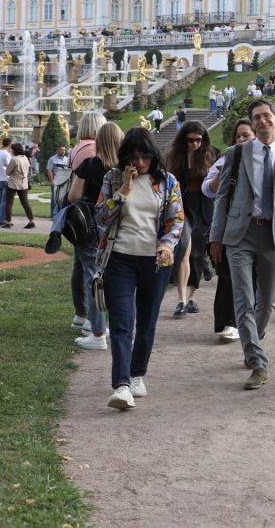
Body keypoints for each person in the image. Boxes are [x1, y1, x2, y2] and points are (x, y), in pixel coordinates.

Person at [209, 99, 275, 390]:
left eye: (266, 116)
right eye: (256, 118)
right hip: (240, 234)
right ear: (252, 123)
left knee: (268, 300)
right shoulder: (236, 154)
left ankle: (253, 338)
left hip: (273, 236)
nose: (262, 121)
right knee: (243, 298)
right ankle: (257, 361)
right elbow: (223, 197)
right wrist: (215, 236)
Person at [95, 128, 184, 410]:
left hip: (155, 261)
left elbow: (176, 220)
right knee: (122, 322)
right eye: (133, 156)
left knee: (147, 321)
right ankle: (121, 385)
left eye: (144, 155)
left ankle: (137, 374)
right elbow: (101, 217)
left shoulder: (168, 182)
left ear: (152, 154)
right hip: (119, 258)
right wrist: (123, 191)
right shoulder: (112, 178)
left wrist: (167, 245)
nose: (139, 161)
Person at [64, 122, 124, 349]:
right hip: (119, 225)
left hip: (92, 224)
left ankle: (97, 330)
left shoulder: (90, 165)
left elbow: (73, 196)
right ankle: (113, 324)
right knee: (118, 276)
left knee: (93, 276)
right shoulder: (124, 168)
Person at [202, 118, 255, 344]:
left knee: (255, 280)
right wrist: (220, 175)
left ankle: (251, 325)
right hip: (231, 228)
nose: (241, 139)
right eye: (238, 136)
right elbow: (208, 190)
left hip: (257, 227)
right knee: (228, 277)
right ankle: (228, 322)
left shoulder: (265, 160)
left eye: (246, 135)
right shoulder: (226, 159)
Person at [165, 121, 217, 318]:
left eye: (198, 140)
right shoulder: (175, 155)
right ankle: (181, 299)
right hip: (182, 206)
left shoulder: (211, 154)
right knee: (184, 249)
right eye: (190, 140)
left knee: (197, 253)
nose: (194, 144)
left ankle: (193, 295)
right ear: (183, 139)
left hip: (203, 207)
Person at [68, 112, 106, 331]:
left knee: (81, 265)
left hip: (78, 214)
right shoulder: (92, 151)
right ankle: (92, 318)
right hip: (91, 213)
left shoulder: (77, 147)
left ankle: (81, 312)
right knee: (93, 269)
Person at [4, 142, 35, 229]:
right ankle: (31, 221)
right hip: (24, 182)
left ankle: (8, 222)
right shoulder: (25, 158)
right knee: (25, 203)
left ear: (14, 150)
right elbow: (28, 169)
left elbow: (8, 172)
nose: (11, 150)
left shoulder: (14, 159)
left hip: (13, 183)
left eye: (12, 149)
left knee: (9, 203)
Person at [46, 144, 69, 217]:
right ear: (57, 150)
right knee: (55, 198)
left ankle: (61, 214)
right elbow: (49, 170)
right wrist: (52, 181)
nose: (63, 152)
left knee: (63, 198)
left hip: (65, 181)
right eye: (61, 150)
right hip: (56, 181)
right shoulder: (52, 159)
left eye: (64, 150)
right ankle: (53, 214)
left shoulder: (67, 159)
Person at [0, 137, 13, 227]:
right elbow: (10, 166)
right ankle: (3, 220)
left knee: (0, 200)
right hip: (6, 178)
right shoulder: (6, 154)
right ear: (9, 144)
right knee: (5, 200)